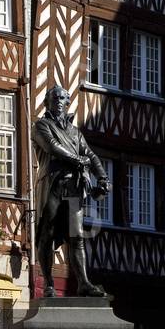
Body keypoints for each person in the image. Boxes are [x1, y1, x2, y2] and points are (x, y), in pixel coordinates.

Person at [33, 85, 110, 297]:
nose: (58, 100)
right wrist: (78, 161)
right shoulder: (41, 125)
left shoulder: (75, 132)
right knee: (46, 236)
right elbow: (52, 147)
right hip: (52, 185)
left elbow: (91, 156)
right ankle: (48, 284)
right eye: (54, 97)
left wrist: (103, 177)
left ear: (67, 103)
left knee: (76, 237)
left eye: (62, 98)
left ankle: (83, 282)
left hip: (74, 188)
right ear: (47, 102)